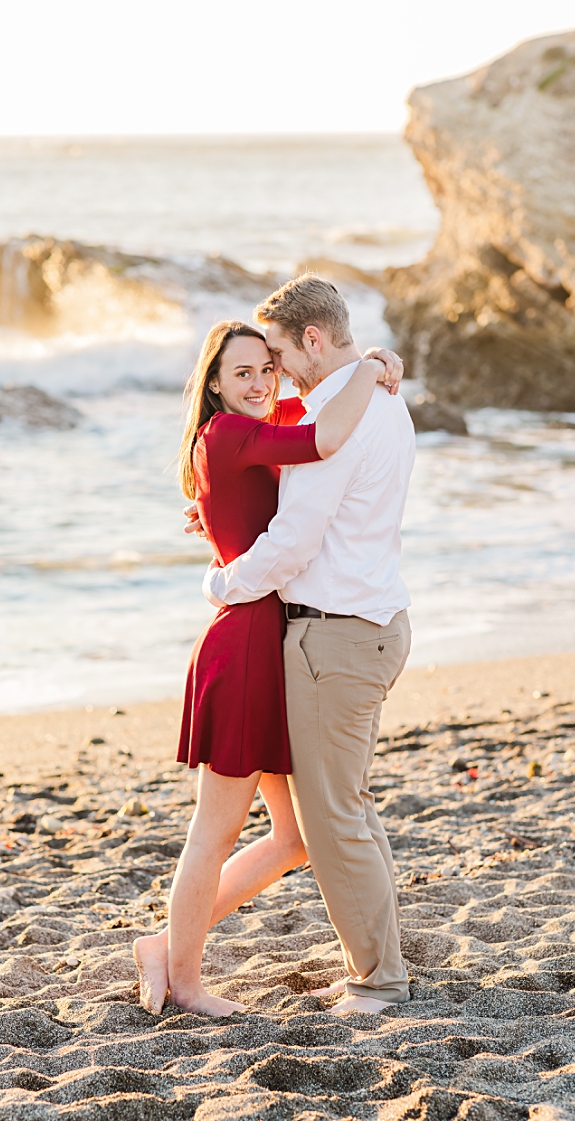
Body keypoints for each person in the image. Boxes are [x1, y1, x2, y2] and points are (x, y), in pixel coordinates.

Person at [133, 319, 401, 1016]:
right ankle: (184, 978)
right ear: (214, 384)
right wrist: (371, 369)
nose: (258, 383)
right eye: (241, 373)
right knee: (215, 828)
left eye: (265, 370)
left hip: (270, 642)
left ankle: (164, 944)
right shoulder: (228, 433)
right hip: (245, 646)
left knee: (292, 838)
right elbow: (322, 436)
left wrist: (367, 364)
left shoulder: (248, 424)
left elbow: (308, 413)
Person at [197, 275, 416, 1017]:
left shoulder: (340, 415)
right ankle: (379, 962)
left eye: (283, 354)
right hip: (375, 622)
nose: (279, 371)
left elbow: (293, 539)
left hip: (335, 635)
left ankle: (379, 980)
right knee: (348, 806)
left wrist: (224, 582)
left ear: (314, 340)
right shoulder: (383, 398)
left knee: (332, 819)